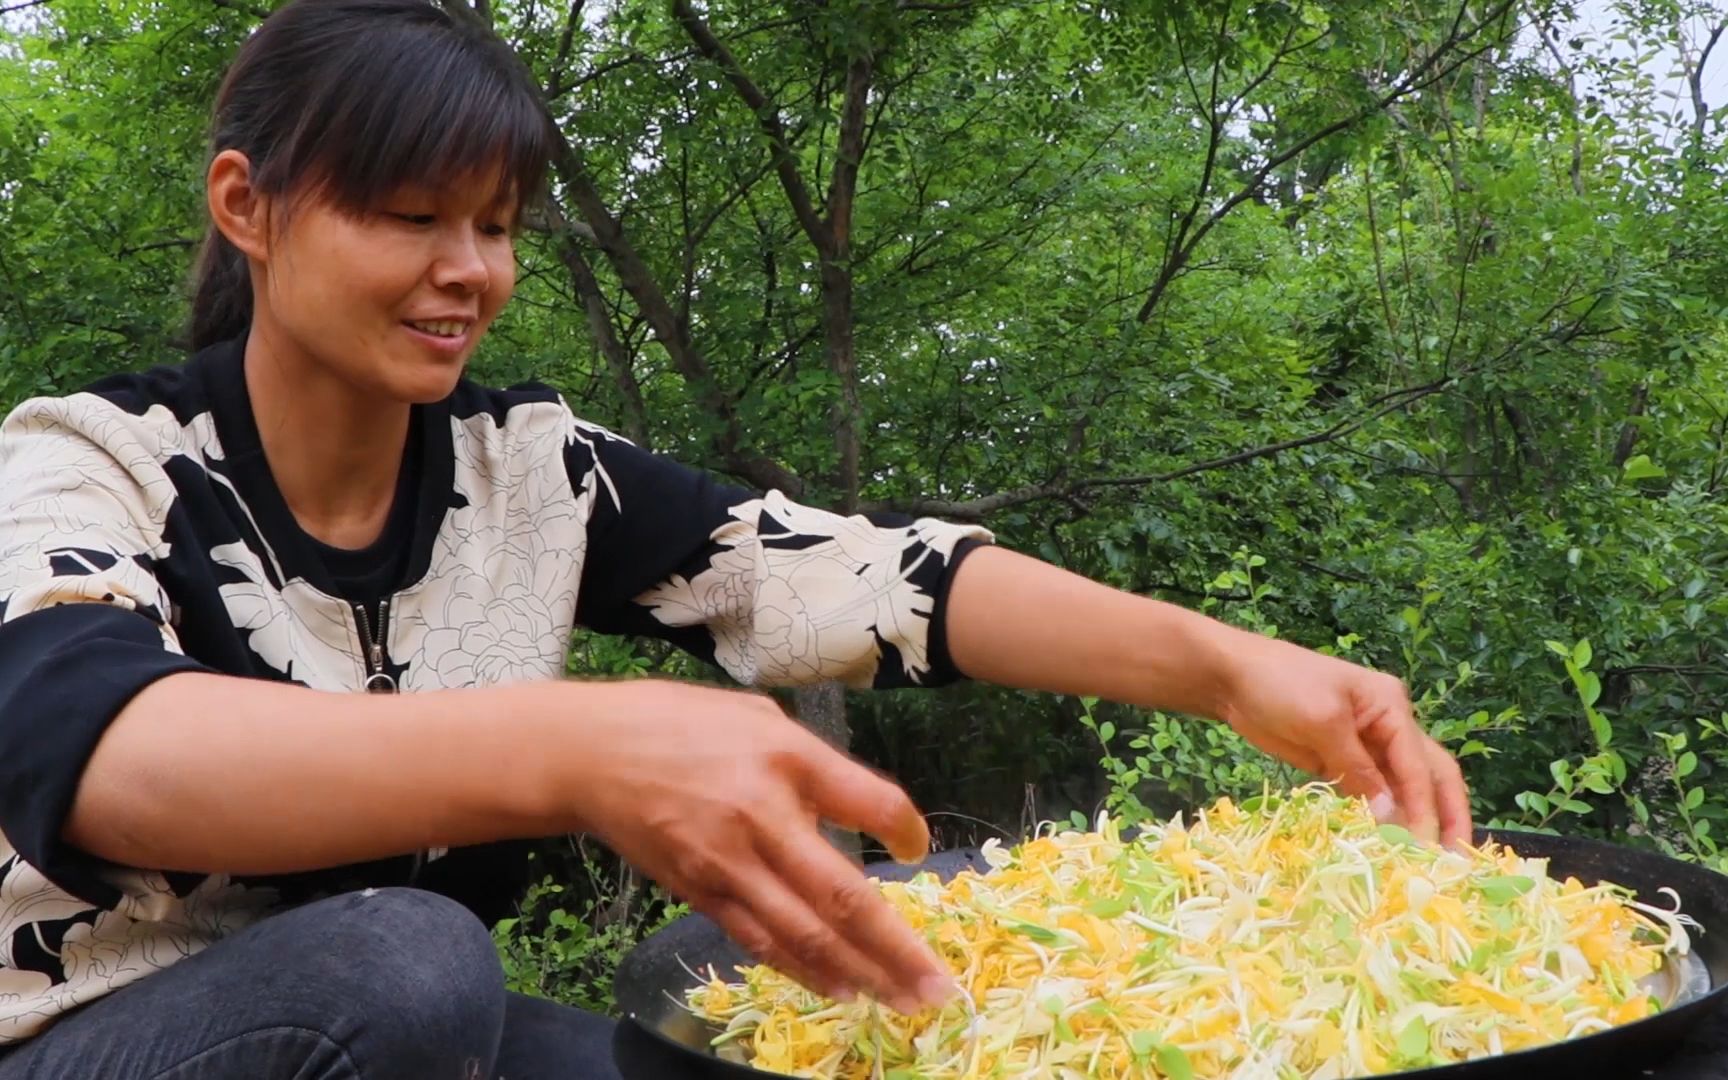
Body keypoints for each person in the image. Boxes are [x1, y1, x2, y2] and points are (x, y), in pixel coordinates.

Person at [0, 1, 1470, 1076]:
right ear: (246, 208)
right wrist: (585, 749)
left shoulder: (528, 473)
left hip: (413, 1042)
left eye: (500, 226)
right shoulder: (88, 463)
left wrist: (1227, 667)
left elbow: (854, 575)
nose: (470, 272)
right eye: (410, 216)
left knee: (765, 1061)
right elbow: (115, 755)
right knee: (410, 956)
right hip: (84, 1041)